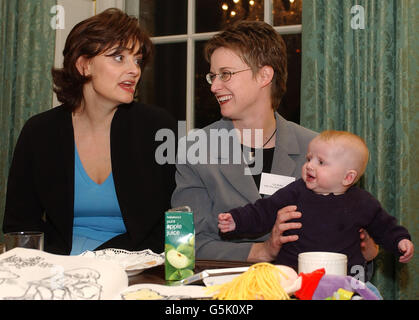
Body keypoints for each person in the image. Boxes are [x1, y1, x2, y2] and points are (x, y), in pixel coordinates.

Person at [171, 21, 379, 265]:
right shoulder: (196, 149)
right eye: (213, 76)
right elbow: (185, 246)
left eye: (225, 74)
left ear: (264, 75)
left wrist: (367, 251)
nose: (215, 86)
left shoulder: (317, 149)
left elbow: (354, 242)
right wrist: (263, 251)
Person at [3, 8, 177, 255]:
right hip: (57, 271)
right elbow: (19, 226)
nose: (134, 70)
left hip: (134, 267)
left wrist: (102, 260)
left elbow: (174, 221)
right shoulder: (39, 132)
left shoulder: (157, 128)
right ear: (84, 65)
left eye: (137, 60)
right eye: (119, 57)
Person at [218, 130, 414, 276]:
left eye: (321, 162)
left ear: (348, 177)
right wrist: (237, 220)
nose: (309, 165)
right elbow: (264, 210)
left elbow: (385, 226)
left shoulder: (363, 202)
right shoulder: (295, 191)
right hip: (294, 274)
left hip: (345, 279)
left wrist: (400, 241)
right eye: (309, 159)